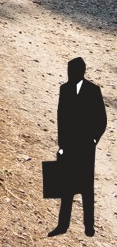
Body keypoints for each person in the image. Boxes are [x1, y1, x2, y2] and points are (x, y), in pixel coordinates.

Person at [55, 56, 107, 237]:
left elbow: (102, 119)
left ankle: (89, 226)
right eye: (69, 71)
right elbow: (61, 119)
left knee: (86, 188)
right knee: (66, 187)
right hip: (69, 146)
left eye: (73, 71)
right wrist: (61, 144)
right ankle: (62, 225)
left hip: (85, 147)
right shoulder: (64, 89)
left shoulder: (93, 91)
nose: (70, 74)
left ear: (81, 72)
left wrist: (93, 140)